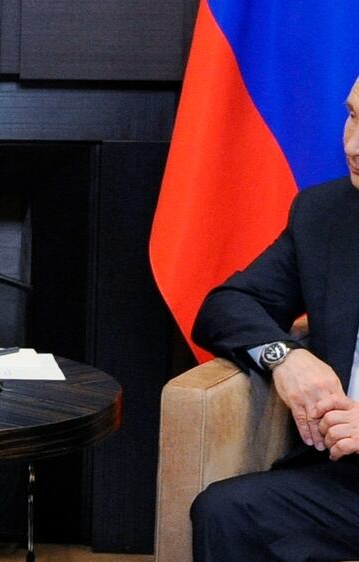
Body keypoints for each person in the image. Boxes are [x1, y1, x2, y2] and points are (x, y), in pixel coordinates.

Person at [190, 75, 359, 561]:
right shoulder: (326, 213)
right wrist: (283, 357)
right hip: (344, 483)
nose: (352, 144)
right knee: (226, 510)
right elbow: (226, 306)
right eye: (351, 116)